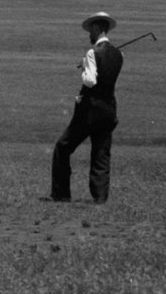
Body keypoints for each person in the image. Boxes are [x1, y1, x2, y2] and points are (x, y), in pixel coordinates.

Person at [50, 11, 130, 203]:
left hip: (90, 111)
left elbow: (90, 81)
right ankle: (100, 197)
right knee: (101, 153)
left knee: (63, 147)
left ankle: (61, 194)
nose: (89, 34)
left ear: (96, 28)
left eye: (90, 30)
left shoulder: (92, 52)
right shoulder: (119, 54)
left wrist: (86, 66)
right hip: (109, 110)